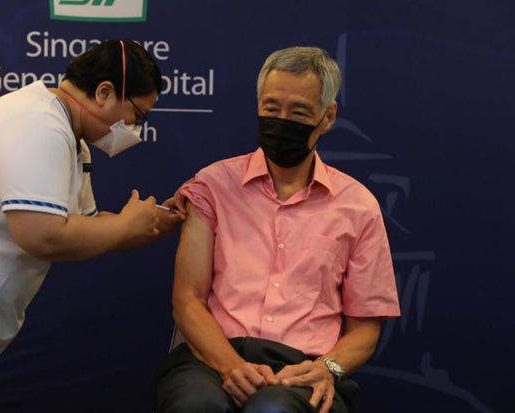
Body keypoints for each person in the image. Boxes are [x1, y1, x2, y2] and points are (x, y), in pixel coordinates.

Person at [0, 39, 183, 412]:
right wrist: (129, 226)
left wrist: (153, 220)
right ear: (105, 92)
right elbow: (43, 235)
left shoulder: (68, 135)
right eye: (137, 116)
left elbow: (85, 226)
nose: (133, 128)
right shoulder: (35, 123)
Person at [154, 47, 400, 413]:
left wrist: (327, 369)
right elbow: (187, 299)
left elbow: (365, 327)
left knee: (272, 410)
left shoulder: (358, 205)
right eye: (271, 108)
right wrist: (230, 366)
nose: (281, 121)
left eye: (299, 112)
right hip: (210, 359)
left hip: (303, 369)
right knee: (196, 405)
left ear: (327, 116)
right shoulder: (213, 186)